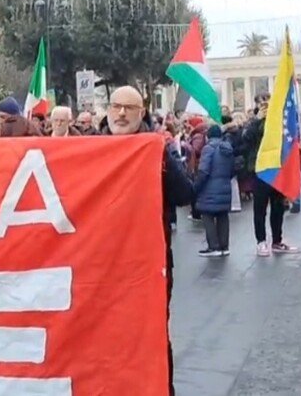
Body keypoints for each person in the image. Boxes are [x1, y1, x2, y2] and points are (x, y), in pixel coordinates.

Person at [102, 85, 192, 396]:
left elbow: (185, 194)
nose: (121, 113)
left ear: (141, 113)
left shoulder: (157, 148)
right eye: (116, 106)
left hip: (148, 264)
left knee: (151, 333)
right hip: (102, 263)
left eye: (129, 108)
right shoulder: (89, 146)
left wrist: (160, 159)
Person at [244, 92, 299, 256]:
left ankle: (277, 240)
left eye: (267, 100)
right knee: (260, 208)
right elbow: (246, 139)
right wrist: (257, 120)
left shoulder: (279, 119)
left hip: (277, 168)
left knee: (278, 207)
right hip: (260, 169)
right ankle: (261, 241)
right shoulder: (253, 122)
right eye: (260, 101)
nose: (264, 104)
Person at [193, 125, 235, 257]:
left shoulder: (208, 148)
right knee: (223, 215)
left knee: (207, 215)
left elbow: (203, 171)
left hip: (209, 188)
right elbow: (232, 169)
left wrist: (196, 186)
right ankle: (224, 246)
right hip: (225, 187)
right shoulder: (228, 148)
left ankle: (214, 246)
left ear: (208, 136)